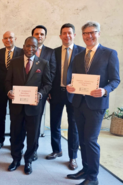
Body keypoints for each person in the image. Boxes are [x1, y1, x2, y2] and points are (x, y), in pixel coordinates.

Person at [66, 21, 120, 185]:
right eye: (85, 33)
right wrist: (70, 86)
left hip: (96, 105)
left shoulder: (109, 53)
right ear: (82, 36)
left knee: (90, 140)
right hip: (79, 103)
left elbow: (115, 79)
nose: (89, 36)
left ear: (98, 33)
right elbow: (72, 78)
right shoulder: (78, 56)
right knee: (82, 139)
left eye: (92, 32)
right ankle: (85, 169)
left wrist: (105, 90)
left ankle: (93, 177)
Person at [5, 37, 51, 175]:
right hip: (17, 106)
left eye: (34, 47)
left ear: (37, 48)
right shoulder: (14, 62)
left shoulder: (43, 63)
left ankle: (28, 161)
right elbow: (7, 81)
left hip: (34, 108)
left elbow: (47, 84)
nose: (31, 49)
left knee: (33, 136)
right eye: (28, 46)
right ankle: (15, 160)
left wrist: (40, 94)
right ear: (23, 46)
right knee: (16, 134)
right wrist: (9, 91)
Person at [48, 23, 84, 170]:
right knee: (54, 124)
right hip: (56, 93)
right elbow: (50, 73)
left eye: (70, 33)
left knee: (73, 126)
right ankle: (57, 150)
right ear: (60, 36)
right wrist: (49, 90)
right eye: (64, 33)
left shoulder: (82, 52)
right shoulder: (53, 52)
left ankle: (73, 157)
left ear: (74, 35)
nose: (67, 35)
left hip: (74, 95)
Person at [0, 31, 24, 150]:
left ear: (15, 38)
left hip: (16, 90)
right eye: (5, 38)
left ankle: (13, 141)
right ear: (2, 40)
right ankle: (0, 140)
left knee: (14, 117)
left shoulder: (21, 52)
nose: (8, 40)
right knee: (1, 117)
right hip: (1, 90)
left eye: (10, 37)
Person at [31, 25, 57, 161]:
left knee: (36, 123)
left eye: (41, 34)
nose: (39, 36)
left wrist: (46, 91)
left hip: (41, 94)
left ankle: (33, 150)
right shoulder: (25, 50)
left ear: (45, 37)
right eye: (36, 34)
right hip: (25, 94)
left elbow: (52, 73)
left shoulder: (50, 52)